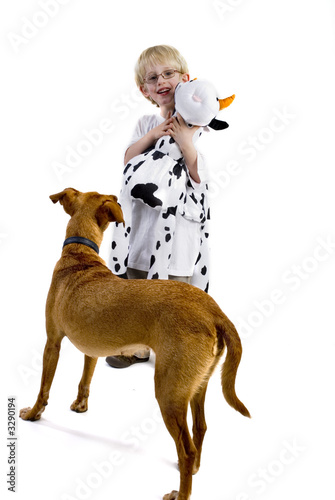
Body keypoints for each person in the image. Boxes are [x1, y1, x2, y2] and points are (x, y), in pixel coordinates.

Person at [106, 44, 210, 369]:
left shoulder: (197, 122)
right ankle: (134, 345)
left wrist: (185, 140)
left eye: (168, 73)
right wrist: (155, 133)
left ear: (185, 78)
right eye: (153, 77)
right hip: (142, 221)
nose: (161, 80)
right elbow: (128, 161)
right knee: (136, 288)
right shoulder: (146, 123)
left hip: (177, 223)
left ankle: (172, 347)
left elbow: (198, 175)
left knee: (173, 292)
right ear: (145, 90)